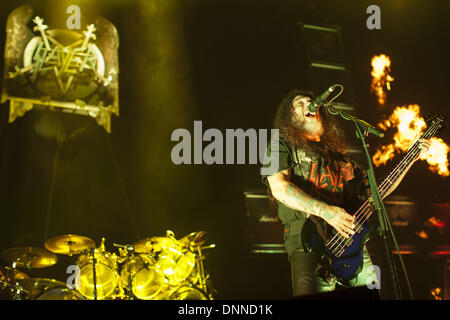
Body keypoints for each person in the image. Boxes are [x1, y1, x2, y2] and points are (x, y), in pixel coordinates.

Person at [261, 88, 431, 297]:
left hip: (352, 243)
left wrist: (411, 159)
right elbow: (279, 187)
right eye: (300, 103)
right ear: (289, 116)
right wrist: (326, 211)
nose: (309, 104)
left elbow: (376, 194)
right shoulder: (279, 145)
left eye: (311, 101)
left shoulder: (344, 160)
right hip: (309, 243)